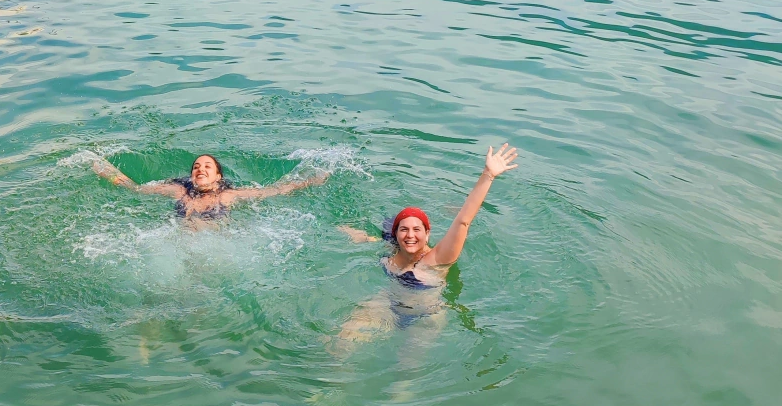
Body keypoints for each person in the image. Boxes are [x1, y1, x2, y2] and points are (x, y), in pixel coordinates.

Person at [336, 142, 518, 344]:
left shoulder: (437, 259)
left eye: (417, 230)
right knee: (341, 339)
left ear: (427, 234)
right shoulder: (392, 253)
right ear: (396, 234)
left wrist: (488, 175)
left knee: (408, 364)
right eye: (404, 230)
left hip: (425, 316)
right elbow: (374, 240)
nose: (410, 235)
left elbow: (463, 220)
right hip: (387, 304)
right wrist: (355, 234)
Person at [90, 151, 330, 222]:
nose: (200, 169)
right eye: (196, 167)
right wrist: (107, 172)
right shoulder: (179, 191)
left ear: (217, 176)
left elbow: (276, 190)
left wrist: (310, 180)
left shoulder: (228, 196)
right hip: (177, 244)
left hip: (215, 248)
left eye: (207, 166)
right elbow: (136, 189)